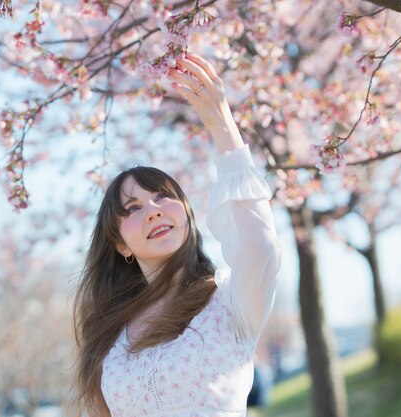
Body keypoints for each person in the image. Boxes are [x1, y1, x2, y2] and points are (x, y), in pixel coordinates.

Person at [72, 52, 282, 417]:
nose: (153, 209)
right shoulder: (108, 338)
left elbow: (259, 247)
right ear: (120, 244)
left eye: (163, 197)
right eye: (133, 208)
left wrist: (224, 129)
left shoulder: (229, 302)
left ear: (186, 213)